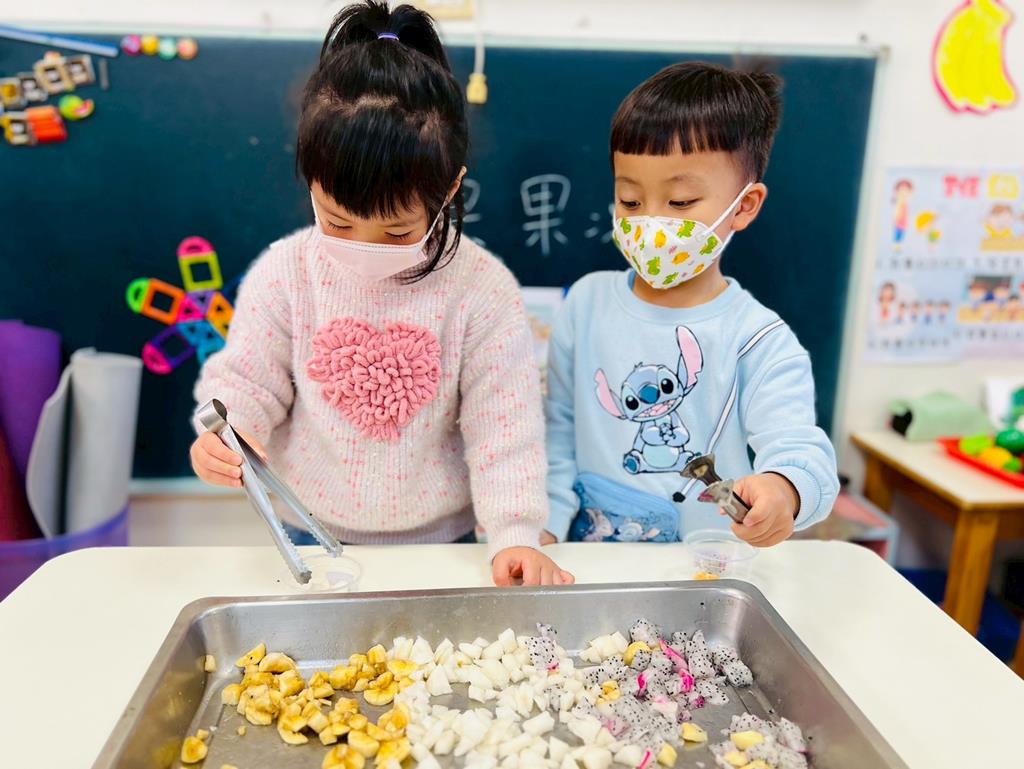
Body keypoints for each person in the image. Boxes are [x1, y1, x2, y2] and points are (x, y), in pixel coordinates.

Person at [190, 1, 572, 586]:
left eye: (396, 232)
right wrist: (227, 434)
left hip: (447, 545)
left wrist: (515, 534)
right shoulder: (285, 272)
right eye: (338, 222)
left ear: (450, 189)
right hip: (308, 532)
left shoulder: (481, 288)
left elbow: (505, 427)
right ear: (311, 180)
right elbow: (247, 381)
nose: (364, 245)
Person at [543, 62, 838, 547]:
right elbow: (556, 432)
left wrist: (784, 489)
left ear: (744, 206)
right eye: (630, 201)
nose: (651, 223)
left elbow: (800, 450)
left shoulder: (759, 339)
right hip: (587, 563)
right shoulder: (586, 305)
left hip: (701, 572)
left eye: (680, 203)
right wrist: (545, 527)